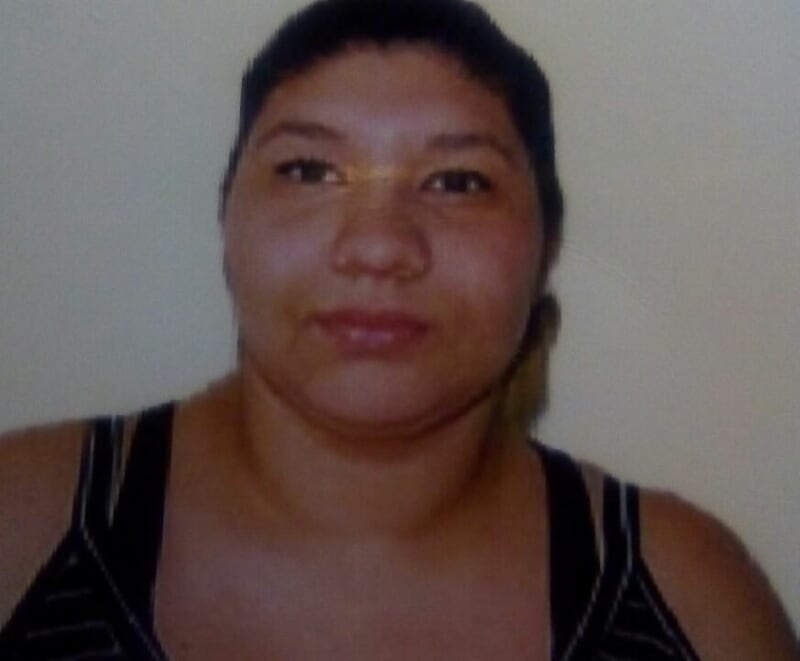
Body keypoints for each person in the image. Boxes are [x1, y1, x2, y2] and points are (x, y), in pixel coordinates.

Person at [0, 0, 796, 658]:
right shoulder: (20, 524)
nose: (378, 246)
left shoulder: (688, 595)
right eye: (309, 170)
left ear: (546, 245)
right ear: (226, 221)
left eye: (457, 181)